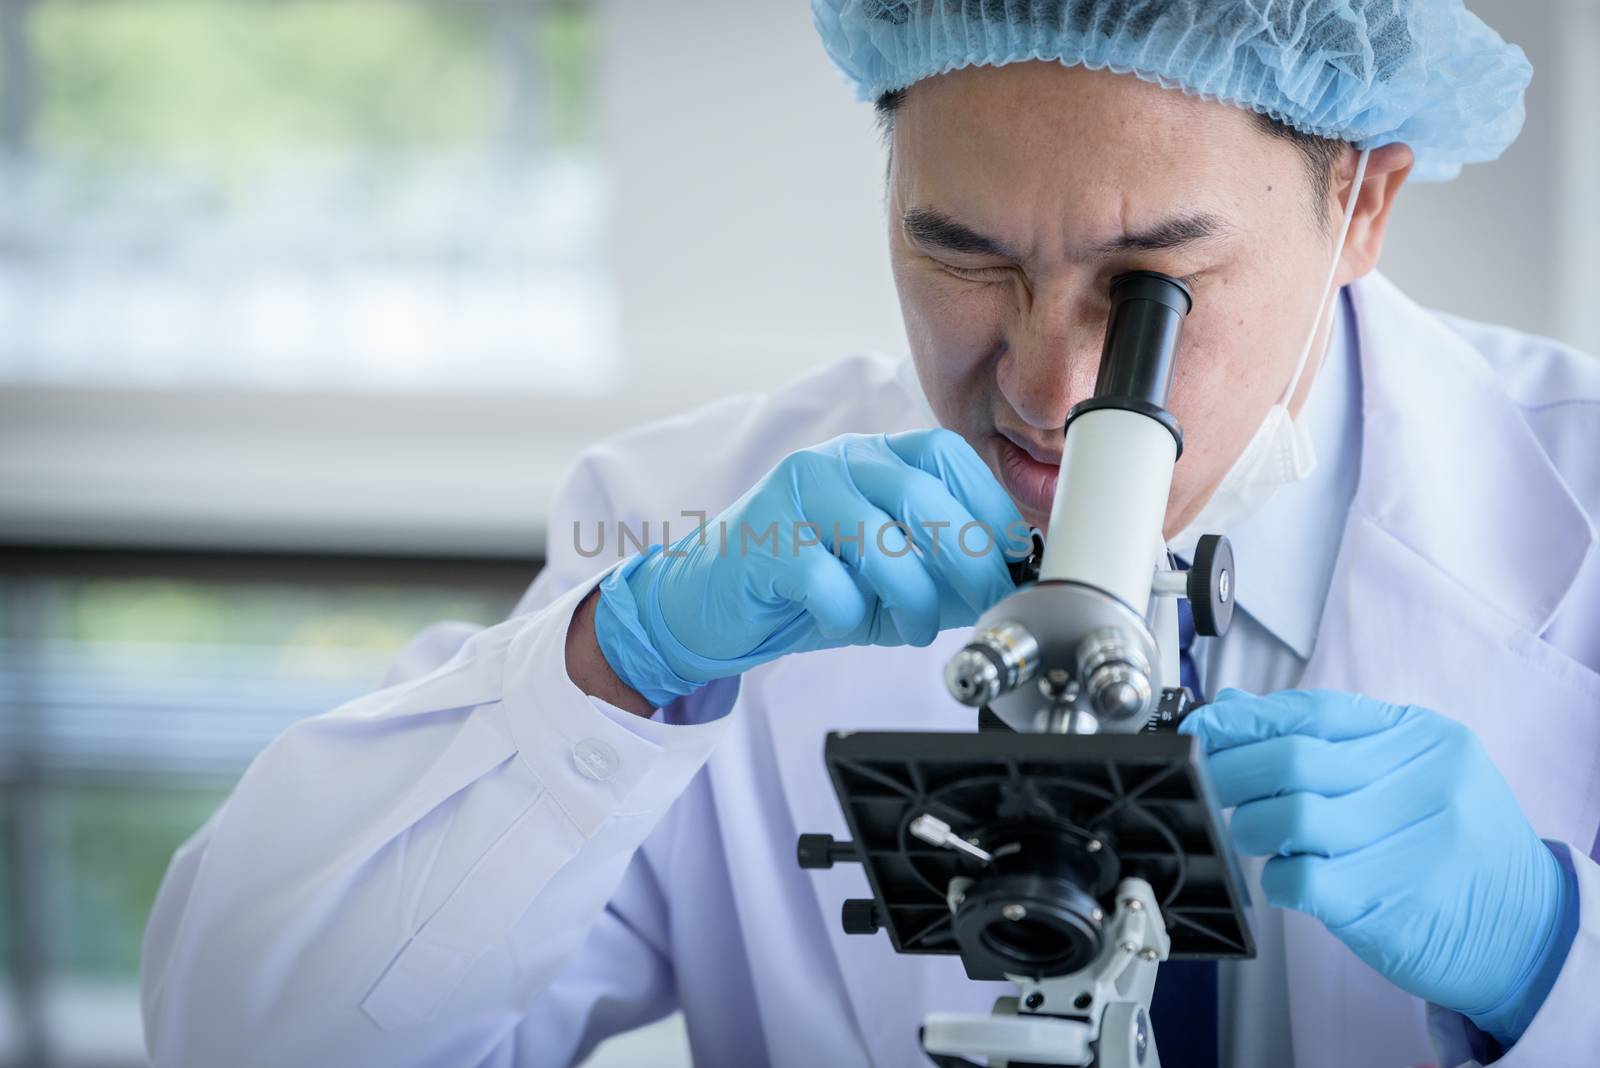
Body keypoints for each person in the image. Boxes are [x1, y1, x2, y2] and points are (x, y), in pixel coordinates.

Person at [141, 3, 1600, 1066]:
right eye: (960, 257)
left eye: (1150, 282)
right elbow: (247, 1034)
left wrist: (1552, 962)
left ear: (1365, 203)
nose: (1046, 387)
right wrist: (616, 670)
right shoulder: (707, 514)